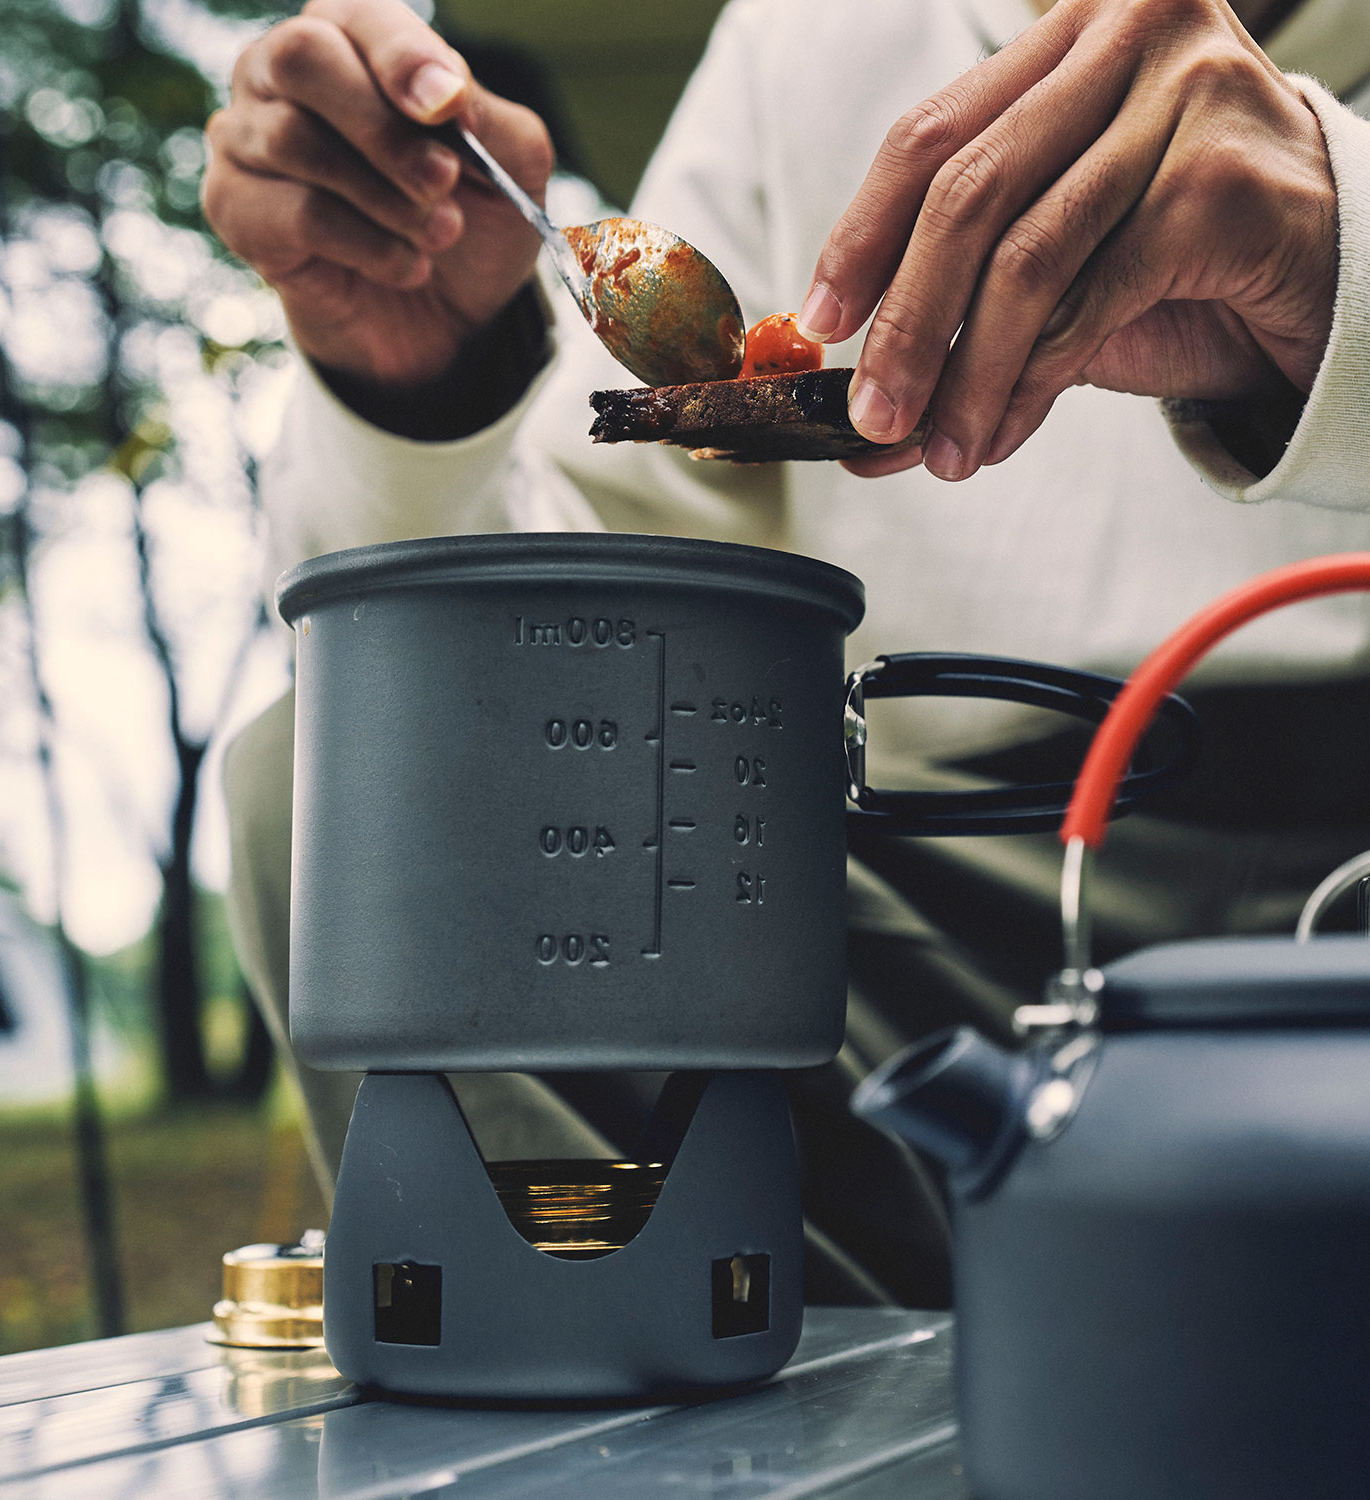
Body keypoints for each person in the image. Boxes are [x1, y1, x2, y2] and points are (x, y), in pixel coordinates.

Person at [206, 0, 1370, 1305]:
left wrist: (1343, 262)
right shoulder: (812, 35)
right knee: (344, 787)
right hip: (911, 916)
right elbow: (552, 655)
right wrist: (430, 385)